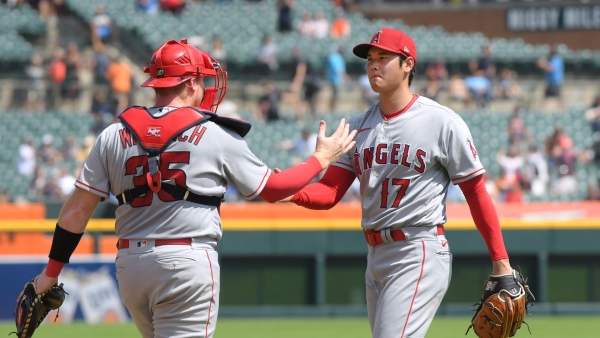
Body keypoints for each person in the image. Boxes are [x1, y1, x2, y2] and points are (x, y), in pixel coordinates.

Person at [20, 39, 356, 338]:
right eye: (203, 81)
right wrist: (320, 159)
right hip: (185, 262)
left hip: (130, 266)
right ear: (191, 82)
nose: (208, 88)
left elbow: (76, 212)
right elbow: (274, 188)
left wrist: (50, 275)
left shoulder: (113, 132)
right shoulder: (215, 132)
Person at [279, 28, 517, 337]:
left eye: (383, 57)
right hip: (375, 255)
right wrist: (290, 190)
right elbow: (329, 191)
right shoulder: (356, 126)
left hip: (417, 249)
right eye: (370, 59)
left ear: (407, 65)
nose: (373, 65)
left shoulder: (441, 121)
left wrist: (501, 262)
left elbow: (475, 191)